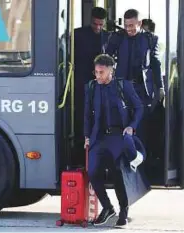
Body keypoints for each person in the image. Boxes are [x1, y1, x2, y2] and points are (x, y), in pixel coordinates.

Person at [84, 54, 144, 226]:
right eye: (96, 72)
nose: (98, 76)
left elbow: (139, 108)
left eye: (101, 72)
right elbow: (87, 114)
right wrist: (87, 136)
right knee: (93, 172)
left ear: (111, 70)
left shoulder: (123, 86)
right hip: (99, 137)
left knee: (118, 174)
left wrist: (132, 126)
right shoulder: (91, 87)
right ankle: (107, 207)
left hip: (118, 137)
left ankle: (123, 211)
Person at [104, 9, 164, 146]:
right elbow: (106, 58)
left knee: (141, 127)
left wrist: (160, 87)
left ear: (140, 23)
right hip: (122, 88)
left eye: (131, 25)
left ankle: (140, 160)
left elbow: (156, 65)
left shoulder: (150, 39)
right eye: (126, 25)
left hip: (142, 90)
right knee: (121, 124)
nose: (128, 29)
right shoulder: (117, 37)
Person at [74, 7, 109, 164]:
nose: (98, 27)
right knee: (83, 116)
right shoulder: (78, 34)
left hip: (101, 84)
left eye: (100, 24)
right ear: (91, 20)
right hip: (82, 83)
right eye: (95, 24)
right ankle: (80, 153)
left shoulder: (108, 37)